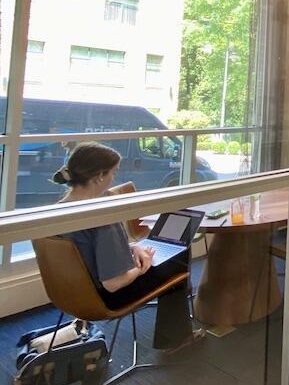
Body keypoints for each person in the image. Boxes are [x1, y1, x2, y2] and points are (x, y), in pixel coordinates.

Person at [53, 142, 195, 350]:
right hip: (107, 297)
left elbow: (87, 248)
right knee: (179, 254)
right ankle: (176, 339)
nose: (114, 179)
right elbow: (114, 282)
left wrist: (133, 247)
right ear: (99, 176)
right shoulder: (102, 217)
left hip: (70, 292)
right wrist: (140, 268)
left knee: (163, 254)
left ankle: (176, 324)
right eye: (113, 172)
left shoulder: (56, 212)